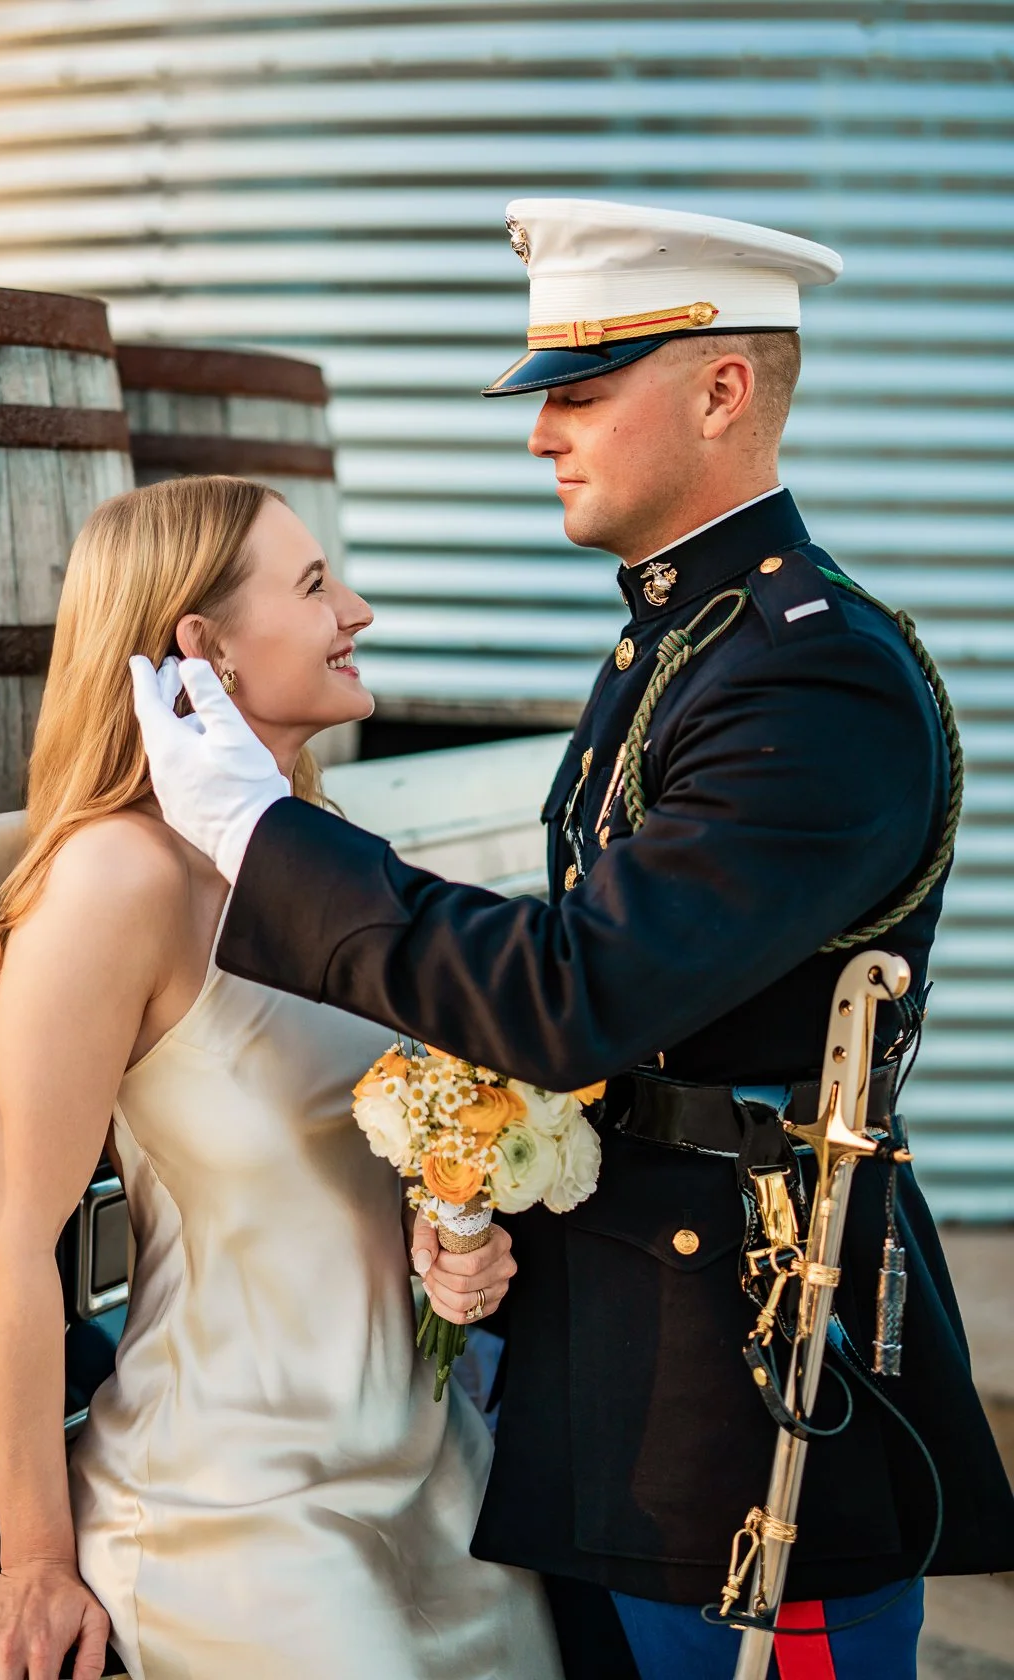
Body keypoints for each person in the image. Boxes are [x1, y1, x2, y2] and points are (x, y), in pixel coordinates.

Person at [131, 201, 1014, 1680]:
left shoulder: (814, 683)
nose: (544, 430)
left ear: (723, 392)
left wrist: (255, 832)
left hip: (756, 1408)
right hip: (624, 1365)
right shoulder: (688, 639)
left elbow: (577, 991)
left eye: (585, 390)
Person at [0, 476, 562, 1680]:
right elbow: (11, 1240)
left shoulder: (328, 860)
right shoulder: (115, 884)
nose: (361, 609)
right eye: (315, 584)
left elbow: (359, 1163)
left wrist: (453, 1245)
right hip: (233, 1519)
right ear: (206, 649)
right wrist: (34, 1559)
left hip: (441, 1493)